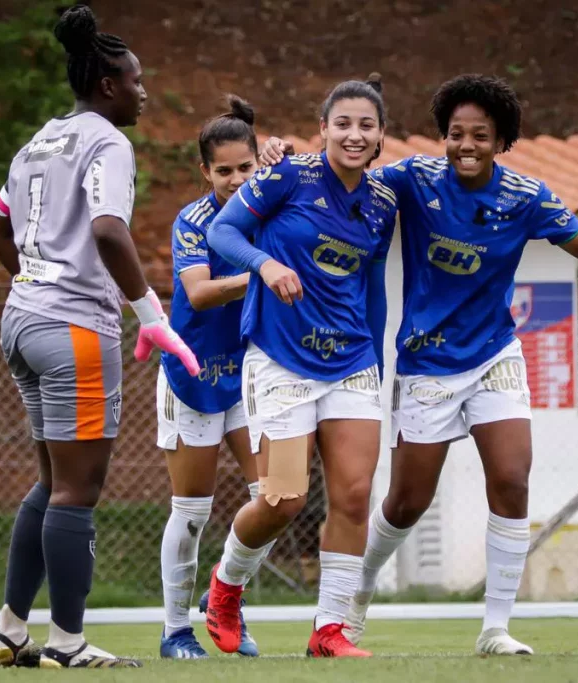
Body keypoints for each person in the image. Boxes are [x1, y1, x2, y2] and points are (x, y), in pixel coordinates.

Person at [262, 72, 578, 656]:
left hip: (495, 353)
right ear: (443, 137)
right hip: (426, 364)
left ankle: (495, 628)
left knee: (512, 478)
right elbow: (344, 171)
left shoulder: (525, 196)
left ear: (501, 141)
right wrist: (284, 153)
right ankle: (360, 586)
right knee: (407, 502)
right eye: (456, 134)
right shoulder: (413, 179)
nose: (466, 145)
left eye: (480, 135)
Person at [0, 4, 197, 669]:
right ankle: (67, 642)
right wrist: (151, 315)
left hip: (21, 320)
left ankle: (10, 630)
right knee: (78, 490)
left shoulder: (37, 142)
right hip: (73, 329)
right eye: (135, 80)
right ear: (108, 85)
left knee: (52, 481)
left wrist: (35, 282)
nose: (143, 91)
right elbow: (107, 229)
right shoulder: (108, 142)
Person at [202, 74, 397, 658]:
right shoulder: (287, 175)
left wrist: (376, 361)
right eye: (343, 124)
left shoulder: (383, 203)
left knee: (354, 497)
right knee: (283, 499)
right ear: (323, 129)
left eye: (366, 125)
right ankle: (225, 587)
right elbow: (223, 230)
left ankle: (330, 630)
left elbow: (373, 287)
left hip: (353, 362)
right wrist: (264, 265)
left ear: (381, 135)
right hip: (281, 357)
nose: (354, 135)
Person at [157, 95, 270, 659]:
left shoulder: (272, 213)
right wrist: (264, 271)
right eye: (223, 171)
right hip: (194, 375)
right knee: (193, 512)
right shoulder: (193, 221)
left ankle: (224, 595)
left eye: (245, 167)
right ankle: (175, 631)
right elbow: (199, 294)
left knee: (276, 499)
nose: (236, 179)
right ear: (205, 171)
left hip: (251, 375)